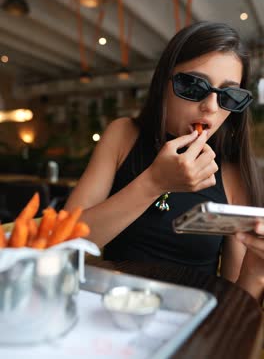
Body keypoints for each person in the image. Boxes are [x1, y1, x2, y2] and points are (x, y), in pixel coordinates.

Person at [65, 21, 264, 302]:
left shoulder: (232, 173)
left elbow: (230, 301)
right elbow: (65, 244)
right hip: (109, 307)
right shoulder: (123, 135)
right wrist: (154, 183)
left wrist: (256, 272)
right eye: (194, 86)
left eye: (229, 96)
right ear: (163, 84)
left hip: (189, 327)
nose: (210, 106)